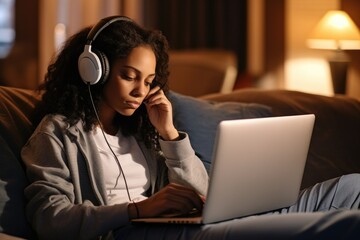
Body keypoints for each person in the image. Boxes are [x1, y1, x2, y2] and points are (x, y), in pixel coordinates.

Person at [21, 16, 360, 240]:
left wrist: (169, 134)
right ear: (93, 70)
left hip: (182, 223)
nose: (141, 91)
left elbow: (203, 190)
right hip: (137, 232)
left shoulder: (140, 130)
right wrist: (139, 210)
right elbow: (50, 218)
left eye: (149, 81)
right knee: (343, 224)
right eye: (129, 76)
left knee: (352, 187)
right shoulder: (58, 134)